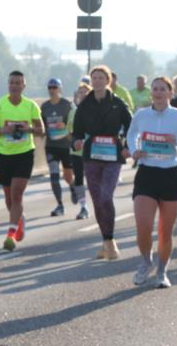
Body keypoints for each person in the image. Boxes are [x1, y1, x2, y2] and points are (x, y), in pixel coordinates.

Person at [128, 77, 177, 288]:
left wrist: (176, 141)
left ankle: (162, 271)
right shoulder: (141, 115)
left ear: (170, 92)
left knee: (164, 231)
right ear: (151, 92)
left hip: (170, 175)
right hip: (147, 174)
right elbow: (132, 135)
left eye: (162, 89)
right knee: (143, 225)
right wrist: (134, 150)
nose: (158, 92)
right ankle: (145, 262)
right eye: (155, 89)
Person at [72, 66, 132, 259]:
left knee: (106, 196)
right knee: (97, 200)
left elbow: (131, 126)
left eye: (101, 78)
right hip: (91, 155)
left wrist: (127, 146)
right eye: (94, 78)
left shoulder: (118, 103)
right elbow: (77, 130)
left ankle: (110, 239)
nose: (97, 81)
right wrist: (77, 141)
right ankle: (106, 241)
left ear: (108, 80)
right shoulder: (85, 104)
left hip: (113, 154)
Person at [0, 70, 45, 251]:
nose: (15, 85)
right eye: (12, 82)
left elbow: (41, 130)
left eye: (18, 83)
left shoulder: (31, 106)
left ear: (24, 86)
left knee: (17, 194)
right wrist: (6, 130)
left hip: (24, 154)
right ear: (8, 85)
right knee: (9, 197)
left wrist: (26, 129)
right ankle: (19, 219)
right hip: (4, 155)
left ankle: (10, 234)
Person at [41, 78, 75, 216]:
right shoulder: (44, 107)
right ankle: (60, 205)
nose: (52, 90)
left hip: (66, 146)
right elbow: (41, 125)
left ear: (60, 89)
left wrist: (65, 127)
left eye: (55, 87)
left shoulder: (67, 105)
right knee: (54, 176)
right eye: (50, 87)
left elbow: (75, 123)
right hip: (51, 145)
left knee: (68, 177)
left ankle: (73, 187)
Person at [67, 82, 91, 219]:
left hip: (93, 151)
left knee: (93, 179)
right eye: (80, 92)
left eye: (86, 92)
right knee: (79, 179)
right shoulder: (73, 112)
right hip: (76, 152)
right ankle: (84, 207)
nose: (83, 94)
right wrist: (75, 142)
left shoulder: (95, 110)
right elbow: (69, 132)